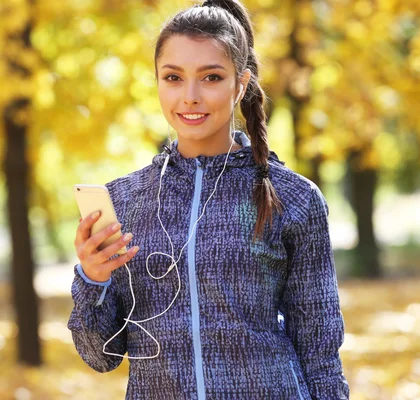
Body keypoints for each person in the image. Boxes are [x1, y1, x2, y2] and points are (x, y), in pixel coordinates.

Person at [67, 0, 350, 398]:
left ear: (242, 83)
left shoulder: (293, 198)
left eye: (212, 77)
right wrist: (92, 278)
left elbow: (320, 351)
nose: (190, 97)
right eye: (173, 77)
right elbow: (101, 355)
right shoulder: (125, 201)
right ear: (157, 82)